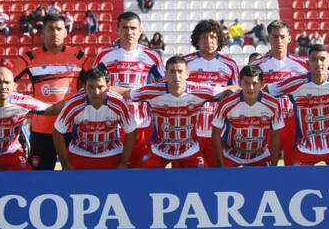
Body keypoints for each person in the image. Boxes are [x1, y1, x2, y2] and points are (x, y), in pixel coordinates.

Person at [111, 56, 234, 168]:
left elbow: (228, 90)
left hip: (190, 150)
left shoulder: (200, 91)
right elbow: (125, 92)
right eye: (172, 72)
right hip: (158, 150)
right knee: (144, 180)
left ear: (187, 74)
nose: (176, 76)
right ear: (165, 74)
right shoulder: (152, 91)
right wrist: (102, 91)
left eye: (180, 71)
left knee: (202, 182)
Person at [12, 13, 90, 170]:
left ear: (65, 32)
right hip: (41, 130)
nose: (55, 33)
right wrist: (23, 106)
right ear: (43, 32)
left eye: (59, 29)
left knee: (73, 175)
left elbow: (95, 85)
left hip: (71, 128)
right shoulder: (29, 58)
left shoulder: (79, 57)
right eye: (50, 29)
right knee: (40, 177)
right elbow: (6, 81)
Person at [268, 44, 329, 165]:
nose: (318, 63)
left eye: (322, 59)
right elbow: (266, 90)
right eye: (314, 59)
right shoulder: (295, 83)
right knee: (296, 182)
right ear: (308, 64)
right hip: (306, 148)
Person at [94, 11, 164, 168]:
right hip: (111, 123)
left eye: (133, 28)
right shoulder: (104, 55)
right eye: (124, 27)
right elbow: (92, 86)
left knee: (139, 171)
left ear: (140, 30)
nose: (129, 32)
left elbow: (163, 87)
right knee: (112, 169)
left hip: (141, 124)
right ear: (117, 29)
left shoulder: (152, 56)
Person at [53, 68, 136, 170]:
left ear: (108, 87)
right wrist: (65, 164)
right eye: (91, 87)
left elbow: (131, 130)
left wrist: (124, 162)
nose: (96, 92)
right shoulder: (73, 104)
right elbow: (57, 131)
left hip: (111, 154)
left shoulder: (119, 103)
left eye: (100, 87)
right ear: (84, 87)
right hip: (79, 153)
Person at [250, 20, 308, 165]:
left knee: (294, 167)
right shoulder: (256, 66)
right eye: (275, 37)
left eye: (282, 36)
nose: (279, 41)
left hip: (293, 122)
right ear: (268, 38)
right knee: (266, 167)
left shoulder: (302, 65)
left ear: (289, 38)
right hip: (266, 122)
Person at [184, 20, 239, 167]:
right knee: (189, 176)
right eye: (204, 37)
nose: (209, 41)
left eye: (213, 37)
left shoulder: (230, 64)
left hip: (219, 132)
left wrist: (230, 90)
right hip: (189, 132)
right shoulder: (185, 63)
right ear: (197, 40)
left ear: (219, 39)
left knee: (218, 177)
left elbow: (237, 91)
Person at [212, 65, 282, 167]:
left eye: (255, 83)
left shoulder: (274, 104)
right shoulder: (226, 104)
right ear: (240, 83)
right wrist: (220, 165)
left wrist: (273, 166)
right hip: (232, 157)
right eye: (247, 83)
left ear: (262, 84)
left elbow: (276, 136)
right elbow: (215, 133)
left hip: (261, 157)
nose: (251, 88)